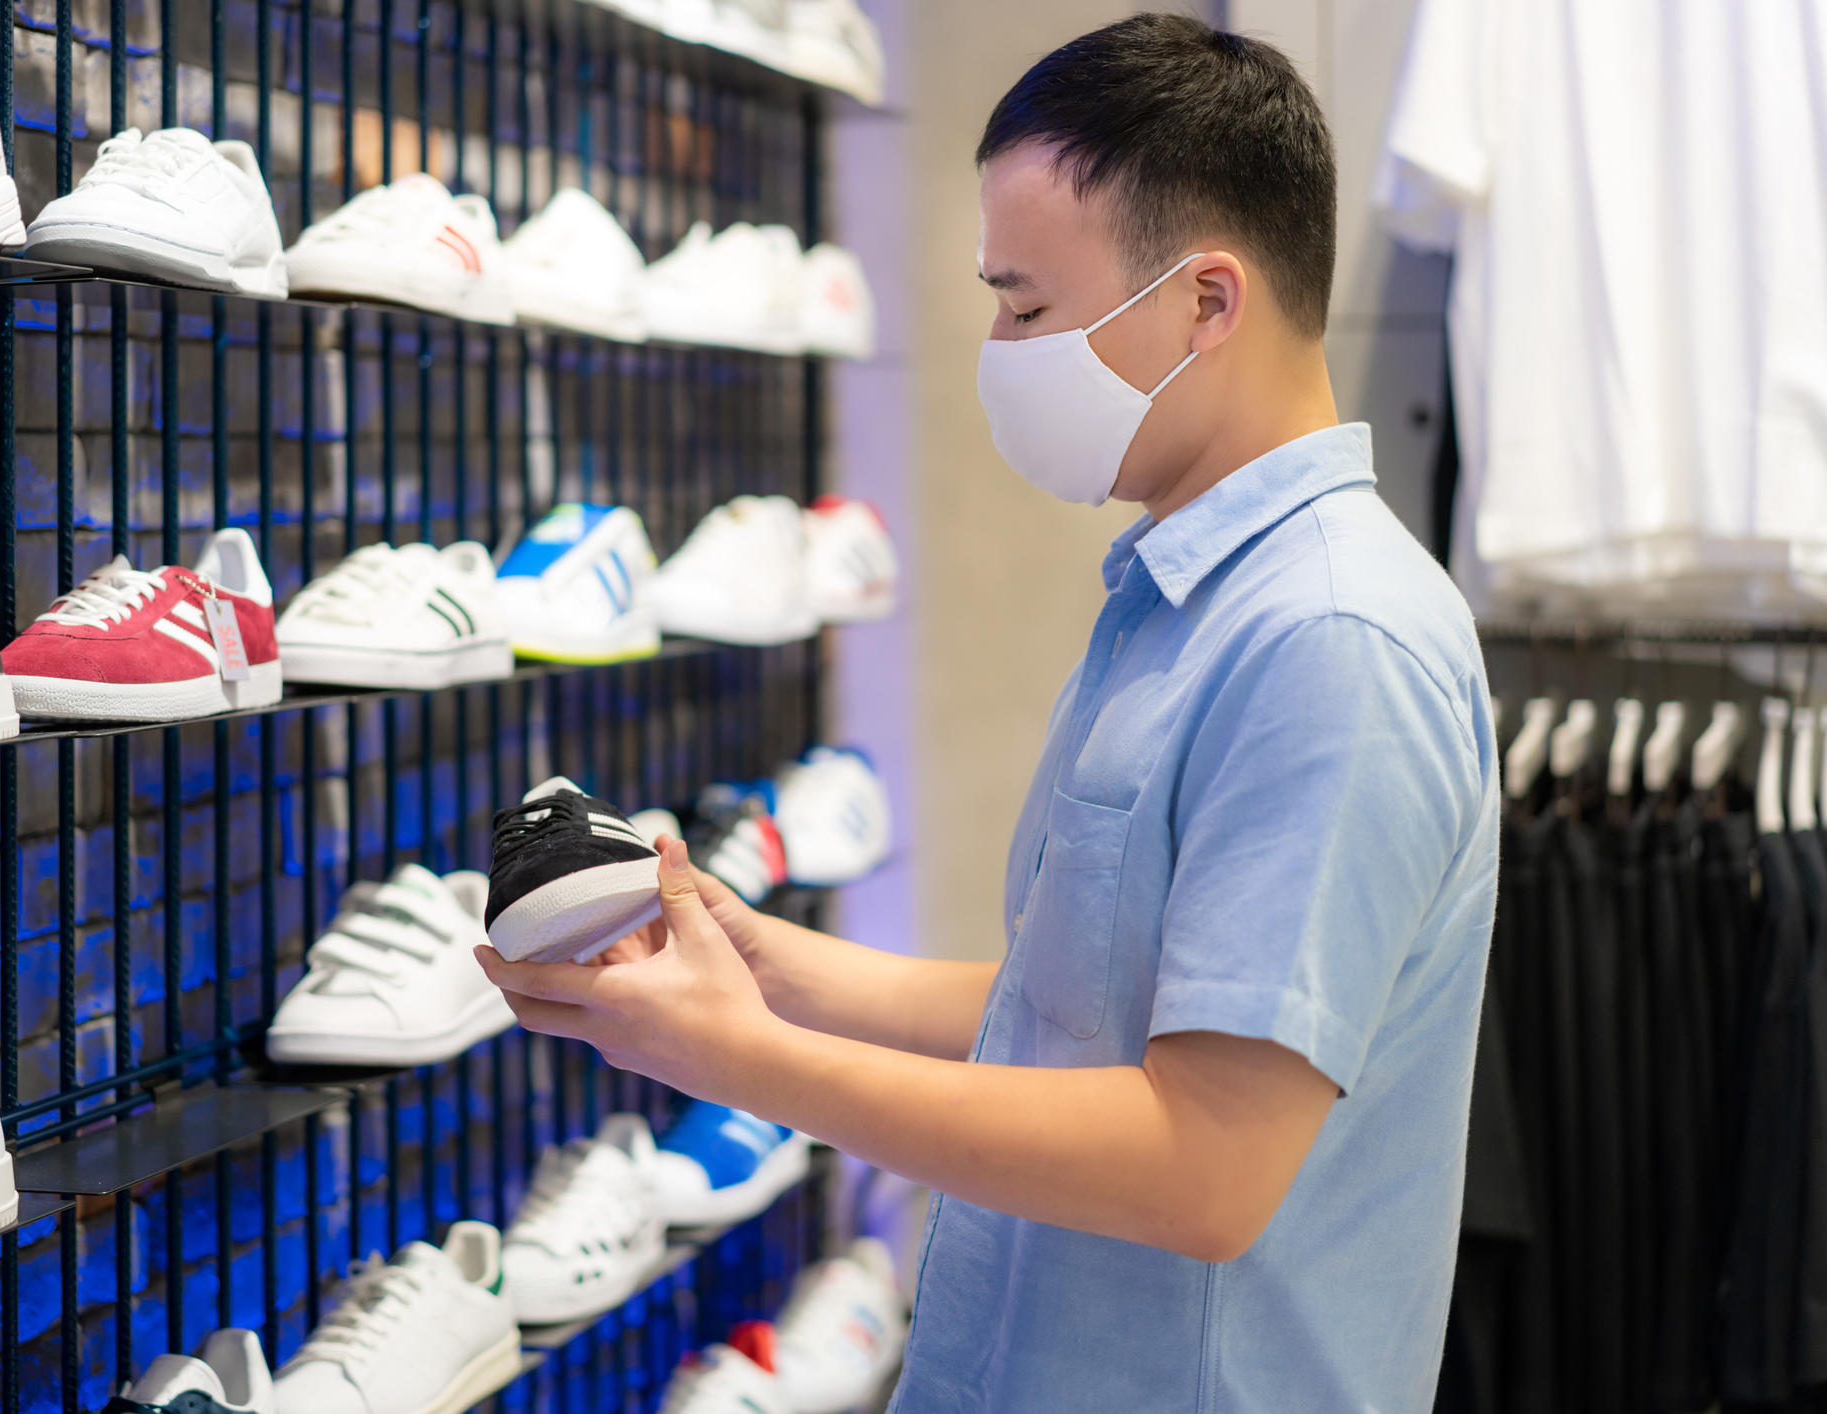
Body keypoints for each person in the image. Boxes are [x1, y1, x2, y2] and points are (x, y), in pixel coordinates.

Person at [477, 14, 1499, 1411]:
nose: (1002, 349)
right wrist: (760, 957)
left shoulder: (1331, 639)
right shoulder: (1181, 593)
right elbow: (1080, 1014)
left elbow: (1203, 1162)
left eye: (1028, 308)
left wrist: (741, 1056)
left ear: (1207, 303)